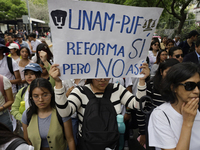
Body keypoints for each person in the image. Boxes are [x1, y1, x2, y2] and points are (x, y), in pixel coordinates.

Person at [49, 62, 150, 149]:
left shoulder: (117, 89)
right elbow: (64, 112)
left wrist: (142, 81)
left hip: (112, 143)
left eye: (106, 75)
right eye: (98, 75)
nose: (103, 79)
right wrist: (58, 84)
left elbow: (138, 105)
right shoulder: (80, 92)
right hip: (87, 145)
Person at [148, 62, 200, 150]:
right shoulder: (160, 115)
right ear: (173, 87)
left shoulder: (197, 110)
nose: (197, 91)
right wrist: (187, 123)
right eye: (189, 86)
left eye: (199, 85)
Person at [136, 59, 179, 148]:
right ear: (161, 71)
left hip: (176, 129)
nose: (171, 76)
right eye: (168, 72)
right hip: (153, 129)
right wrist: (143, 133)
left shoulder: (180, 88)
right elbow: (141, 109)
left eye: (174, 73)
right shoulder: (151, 86)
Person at [22, 78, 75, 150]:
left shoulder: (61, 112)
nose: (40, 100)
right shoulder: (27, 114)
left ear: (51, 94)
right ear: (31, 97)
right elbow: (27, 139)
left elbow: (70, 139)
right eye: (36, 96)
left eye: (45, 95)